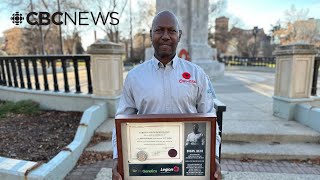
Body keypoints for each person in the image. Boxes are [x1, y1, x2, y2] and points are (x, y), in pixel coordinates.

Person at [112, 10, 221, 180]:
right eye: (159, 30)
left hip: (188, 165)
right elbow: (121, 121)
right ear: (150, 34)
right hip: (147, 164)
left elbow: (210, 119)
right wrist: (117, 159)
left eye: (171, 30)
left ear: (179, 35)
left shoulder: (197, 74)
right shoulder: (134, 76)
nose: (165, 36)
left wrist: (213, 158)